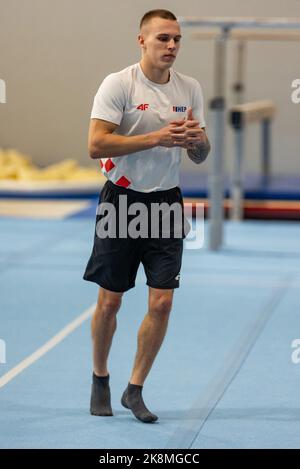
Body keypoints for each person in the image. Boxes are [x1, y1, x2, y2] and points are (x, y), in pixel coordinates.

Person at [83, 9, 211, 424]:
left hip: (166, 204)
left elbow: (201, 151)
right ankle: (100, 376)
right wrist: (156, 137)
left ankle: (134, 389)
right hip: (121, 202)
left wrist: (197, 142)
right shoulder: (118, 84)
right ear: (142, 41)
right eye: (162, 39)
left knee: (162, 303)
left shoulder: (189, 88)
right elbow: (96, 144)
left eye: (176, 39)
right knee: (110, 301)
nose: (171, 46)